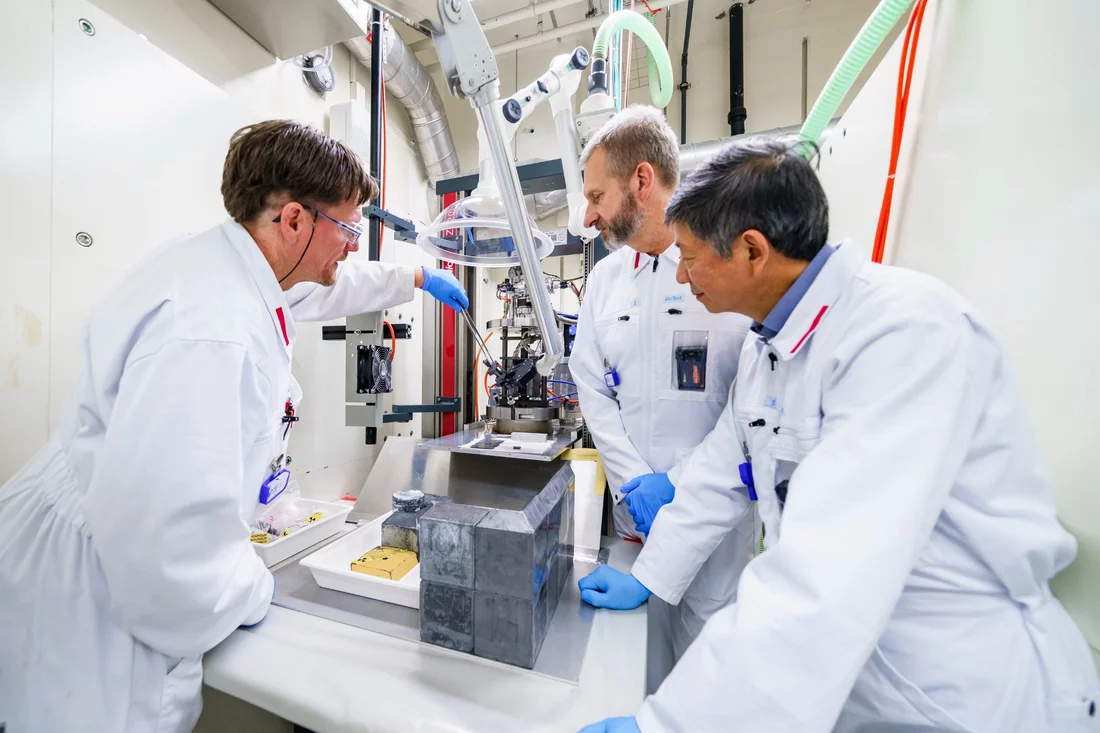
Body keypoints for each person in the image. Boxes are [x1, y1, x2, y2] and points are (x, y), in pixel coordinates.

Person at [579, 138, 1100, 733]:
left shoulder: (903, 333)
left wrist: (665, 726)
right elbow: (715, 480)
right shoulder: (768, 348)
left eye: (692, 257)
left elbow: (822, 576)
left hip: (967, 692)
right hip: (861, 683)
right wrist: (647, 578)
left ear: (752, 251)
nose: (680, 273)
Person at [0, 120, 468, 733]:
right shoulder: (213, 335)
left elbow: (325, 286)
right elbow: (169, 568)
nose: (353, 245)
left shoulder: (233, 265)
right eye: (349, 229)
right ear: (295, 220)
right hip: (94, 600)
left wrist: (413, 277)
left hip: (87, 541)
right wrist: (250, 587)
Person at [568, 105, 757, 693]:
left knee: (709, 683)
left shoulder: (723, 269)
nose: (588, 214)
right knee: (633, 671)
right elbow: (593, 389)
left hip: (716, 533)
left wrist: (677, 483)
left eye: (598, 195)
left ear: (642, 181)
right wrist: (634, 483)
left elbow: (745, 410)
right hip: (635, 522)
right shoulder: (605, 280)